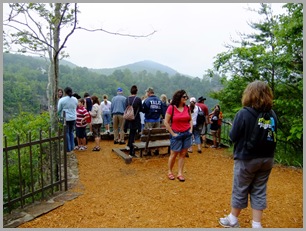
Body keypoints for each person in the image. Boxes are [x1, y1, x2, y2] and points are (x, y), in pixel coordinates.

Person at [219, 80, 278, 228]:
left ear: (249, 94)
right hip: (267, 159)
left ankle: (232, 219)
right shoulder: (272, 115)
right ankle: (256, 224)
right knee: (259, 190)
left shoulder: (243, 113)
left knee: (240, 187)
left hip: (247, 159)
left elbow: (232, 136)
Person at [163, 89, 193, 182]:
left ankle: (180, 173)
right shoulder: (171, 108)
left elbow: (190, 119)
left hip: (186, 133)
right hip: (177, 134)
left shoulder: (187, 108)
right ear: (179, 97)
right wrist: (172, 133)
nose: (186, 98)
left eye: (186, 97)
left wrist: (191, 129)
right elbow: (166, 122)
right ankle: (170, 171)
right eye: (184, 97)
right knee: (174, 154)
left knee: (183, 154)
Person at [142, 87, 163, 155]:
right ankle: (156, 149)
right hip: (157, 120)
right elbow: (162, 110)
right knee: (156, 135)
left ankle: (148, 150)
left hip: (149, 120)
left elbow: (143, 109)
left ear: (149, 92)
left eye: (147, 92)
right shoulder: (159, 100)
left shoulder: (147, 100)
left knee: (148, 135)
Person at [57, 87, 78, 153]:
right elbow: (76, 106)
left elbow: (59, 109)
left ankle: (68, 148)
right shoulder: (75, 99)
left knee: (66, 133)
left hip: (65, 118)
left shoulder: (62, 100)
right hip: (73, 118)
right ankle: (72, 147)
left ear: (65, 92)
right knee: (71, 132)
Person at [124, 85, 142, 158]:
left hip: (128, 119)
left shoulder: (127, 99)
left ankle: (129, 147)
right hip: (135, 119)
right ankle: (131, 152)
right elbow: (141, 108)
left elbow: (125, 108)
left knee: (131, 134)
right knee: (133, 134)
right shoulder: (138, 99)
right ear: (136, 92)